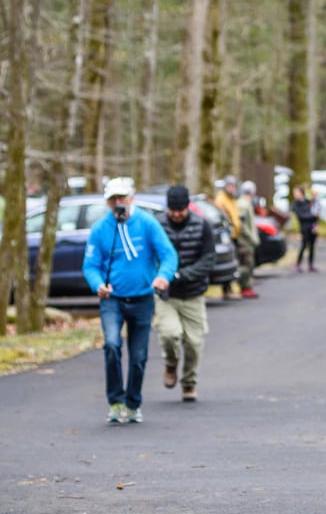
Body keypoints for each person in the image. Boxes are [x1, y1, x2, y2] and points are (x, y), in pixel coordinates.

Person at [82, 177, 178, 424]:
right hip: (112, 299)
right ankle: (116, 401)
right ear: (107, 202)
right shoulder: (101, 229)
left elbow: (168, 254)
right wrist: (97, 285)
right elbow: (90, 265)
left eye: (121, 198)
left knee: (138, 355)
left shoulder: (146, 223)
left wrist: (162, 277)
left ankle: (133, 403)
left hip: (142, 298)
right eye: (113, 199)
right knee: (112, 344)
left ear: (131, 198)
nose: (118, 203)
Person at [153, 185, 215, 402]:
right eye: (173, 210)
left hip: (193, 293)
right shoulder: (157, 225)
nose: (177, 214)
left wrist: (181, 275)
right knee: (170, 334)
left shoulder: (202, 225)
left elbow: (208, 259)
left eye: (181, 209)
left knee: (194, 342)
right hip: (166, 295)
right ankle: (170, 364)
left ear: (188, 206)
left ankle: (189, 383)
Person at [214, 175, 243, 299]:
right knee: (228, 262)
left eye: (233, 186)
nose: (232, 188)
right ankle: (226, 290)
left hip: (234, 235)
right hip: (227, 236)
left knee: (233, 262)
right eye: (230, 186)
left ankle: (229, 288)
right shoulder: (221, 199)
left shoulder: (232, 198)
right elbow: (223, 217)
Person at [235, 181, 261, 298]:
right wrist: (251, 237)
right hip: (245, 241)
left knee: (249, 263)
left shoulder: (245, 203)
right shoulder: (243, 204)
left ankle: (247, 287)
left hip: (246, 240)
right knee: (247, 263)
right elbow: (243, 224)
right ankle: (245, 287)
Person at [292, 185, 319, 272]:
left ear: (302, 193)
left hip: (312, 227)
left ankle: (311, 264)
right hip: (304, 227)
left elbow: (316, 213)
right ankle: (298, 264)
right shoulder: (295, 204)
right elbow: (301, 216)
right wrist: (312, 216)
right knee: (303, 245)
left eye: (296, 193)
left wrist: (315, 224)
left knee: (312, 246)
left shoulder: (308, 202)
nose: (295, 195)